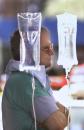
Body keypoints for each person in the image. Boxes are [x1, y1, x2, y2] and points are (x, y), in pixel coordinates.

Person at [2, 27, 69, 130]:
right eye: (46, 48)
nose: (52, 52)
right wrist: (56, 112)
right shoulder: (25, 80)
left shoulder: (29, 78)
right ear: (29, 51)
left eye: (51, 46)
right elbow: (58, 124)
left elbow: (67, 116)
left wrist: (52, 116)